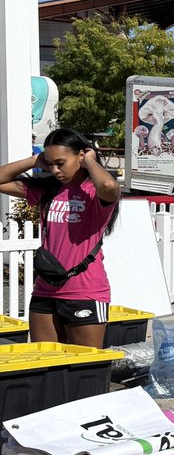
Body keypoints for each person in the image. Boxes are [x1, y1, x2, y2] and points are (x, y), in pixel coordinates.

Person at [0, 128, 120, 347]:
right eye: (50, 163)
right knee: (45, 362)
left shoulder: (93, 192)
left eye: (60, 163)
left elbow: (109, 185)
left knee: (84, 363)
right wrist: (33, 161)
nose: (55, 170)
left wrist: (90, 160)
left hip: (84, 292)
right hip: (45, 290)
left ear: (80, 156)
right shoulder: (48, 191)